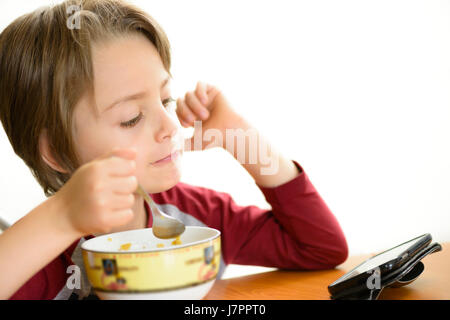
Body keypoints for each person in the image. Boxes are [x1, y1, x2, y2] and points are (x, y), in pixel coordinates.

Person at [0, 0, 348, 300]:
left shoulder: (195, 217)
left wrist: (242, 137)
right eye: (131, 118)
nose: (169, 127)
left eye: (165, 99)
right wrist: (61, 217)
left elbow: (321, 248)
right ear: (57, 153)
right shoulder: (38, 259)